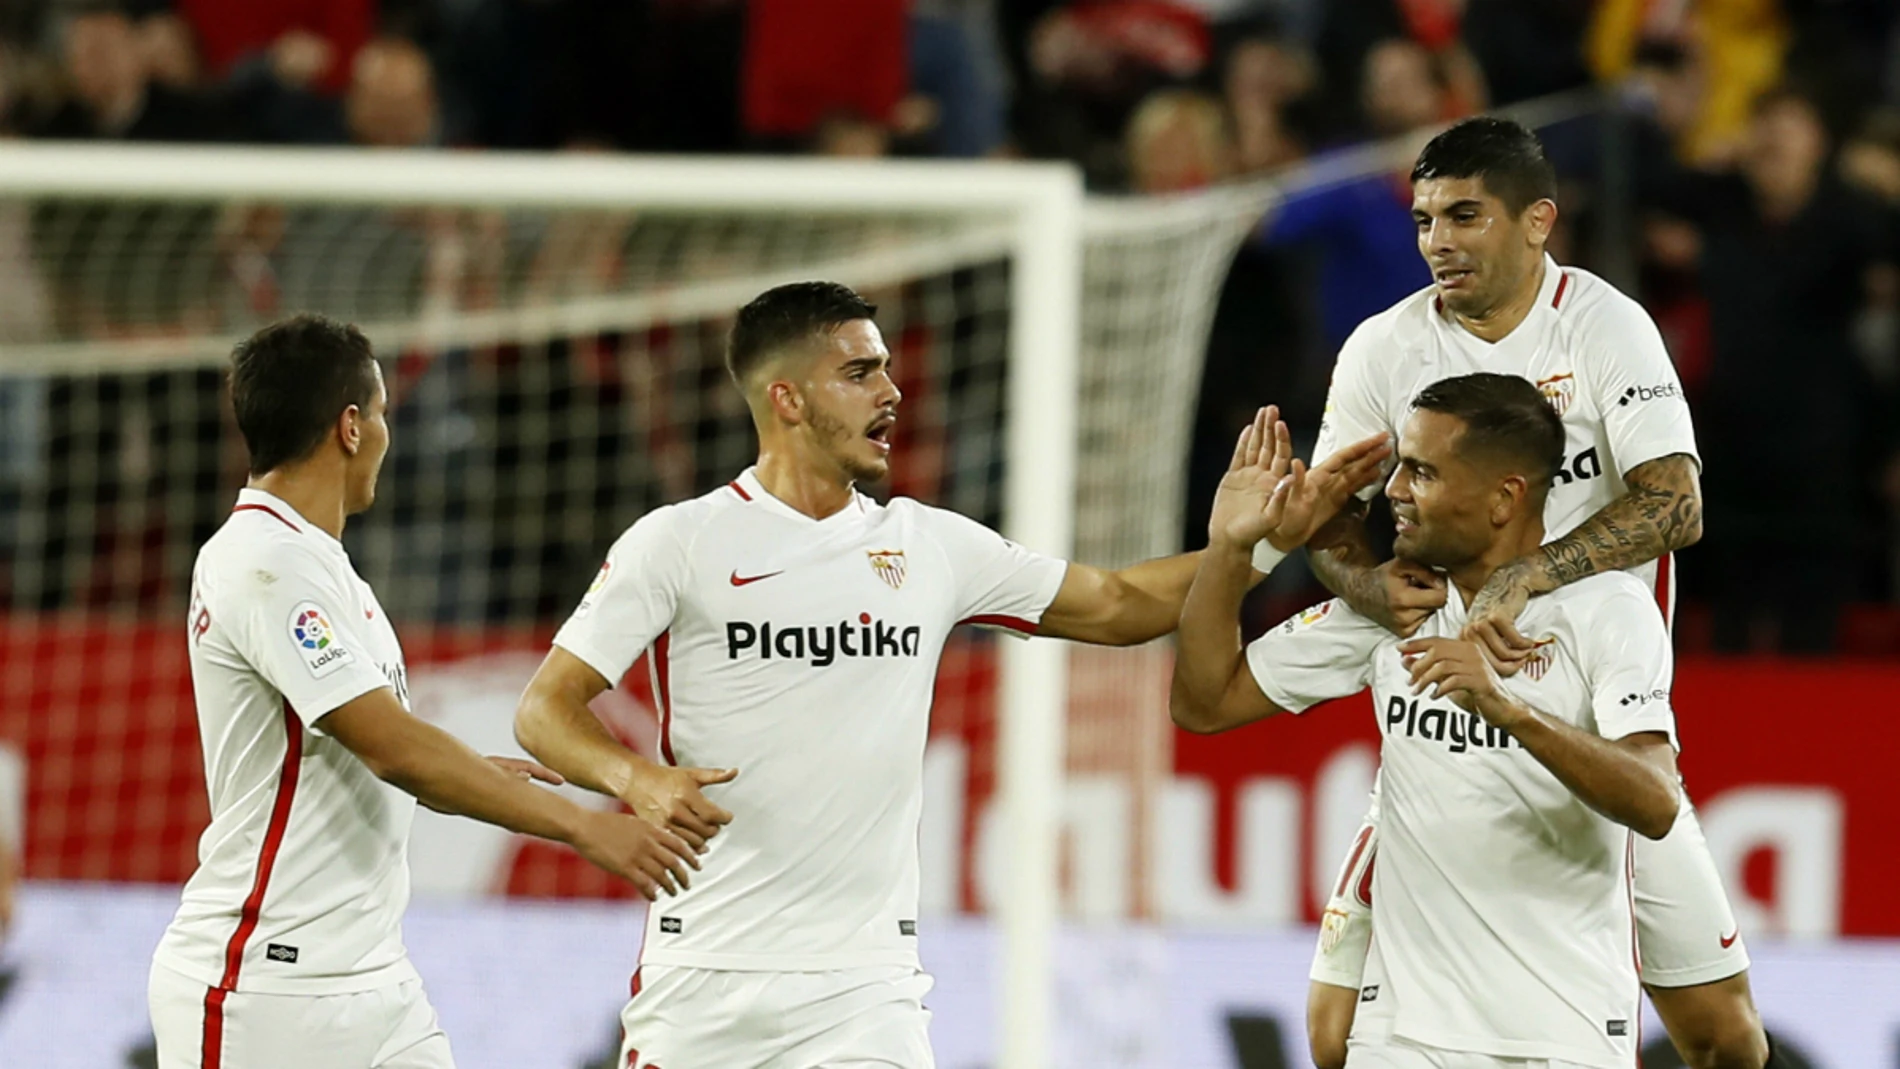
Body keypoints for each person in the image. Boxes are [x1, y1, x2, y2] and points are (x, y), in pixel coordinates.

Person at [511, 281, 1389, 1069]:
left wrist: (1263, 540)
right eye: (859, 373)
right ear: (785, 398)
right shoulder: (682, 541)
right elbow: (545, 709)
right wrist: (636, 778)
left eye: (887, 369)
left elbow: (1118, 604)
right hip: (706, 973)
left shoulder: (926, 544)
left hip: (864, 989)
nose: (891, 392)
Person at [1272, 117, 1773, 1069]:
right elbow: (1327, 519)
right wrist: (1365, 583)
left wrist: (1525, 575)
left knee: (1724, 1037)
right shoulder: (1384, 349)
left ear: (1537, 221)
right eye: (1423, 219)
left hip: (1595, 708)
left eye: (1465, 216)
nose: (1438, 242)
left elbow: (1677, 503)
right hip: (1449, 721)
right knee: (1335, 1036)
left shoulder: (1605, 326)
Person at [147, 315, 703, 1069]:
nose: (385, 431)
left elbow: (366, 748)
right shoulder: (262, 563)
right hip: (266, 986)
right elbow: (392, 747)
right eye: (379, 412)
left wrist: (468, 768)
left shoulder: (325, 567)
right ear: (350, 426)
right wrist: (585, 826)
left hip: (374, 981)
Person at [1176, 373, 1684, 1069]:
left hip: (1562, 1035)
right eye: (1399, 468)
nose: (1393, 492)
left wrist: (1507, 710)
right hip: (1403, 1038)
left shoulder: (1608, 609)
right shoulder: (1398, 602)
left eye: (1422, 472)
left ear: (1505, 497)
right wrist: (1231, 551)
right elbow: (1205, 702)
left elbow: (1656, 803)